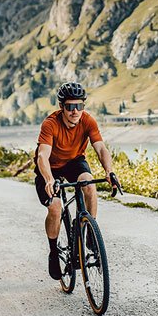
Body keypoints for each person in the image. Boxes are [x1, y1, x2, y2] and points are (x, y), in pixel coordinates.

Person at [35, 82, 120, 280]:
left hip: (74, 162)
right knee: (55, 207)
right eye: (70, 106)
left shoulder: (87, 120)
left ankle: (90, 230)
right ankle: (53, 252)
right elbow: (42, 156)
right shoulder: (50, 124)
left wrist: (109, 171)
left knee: (88, 184)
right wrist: (49, 179)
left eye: (79, 106)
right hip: (50, 166)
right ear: (61, 107)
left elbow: (101, 148)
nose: (75, 111)